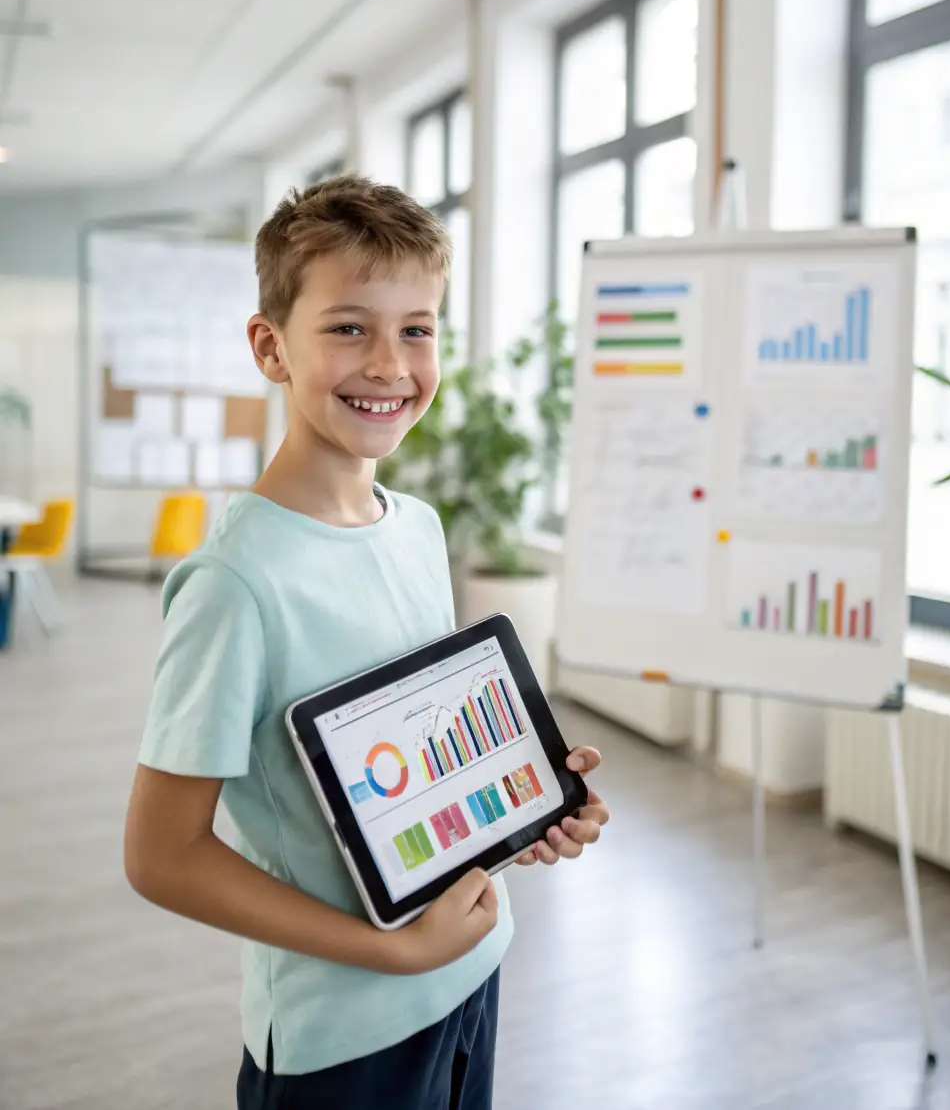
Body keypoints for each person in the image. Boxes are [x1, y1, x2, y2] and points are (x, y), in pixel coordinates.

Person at [123, 175, 609, 1110]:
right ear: (270, 346)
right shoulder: (234, 584)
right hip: (342, 1035)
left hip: (471, 970)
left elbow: (419, 761)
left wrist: (528, 795)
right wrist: (391, 946)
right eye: (349, 326)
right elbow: (161, 855)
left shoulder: (419, 526)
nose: (390, 363)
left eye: (417, 328)